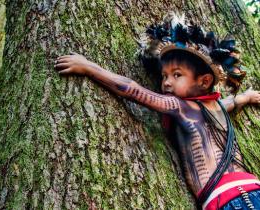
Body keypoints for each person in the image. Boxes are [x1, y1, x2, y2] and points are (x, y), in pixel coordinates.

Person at [54, 14, 260, 210]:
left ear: (204, 81)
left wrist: (89, 67)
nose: (166, 82)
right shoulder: (217, 108)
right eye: (164, 76)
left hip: (233, 198)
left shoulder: (180, 106)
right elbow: (232, 102)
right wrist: (247, 97)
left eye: (176, 75)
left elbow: (133, 90)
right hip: (248, 191)